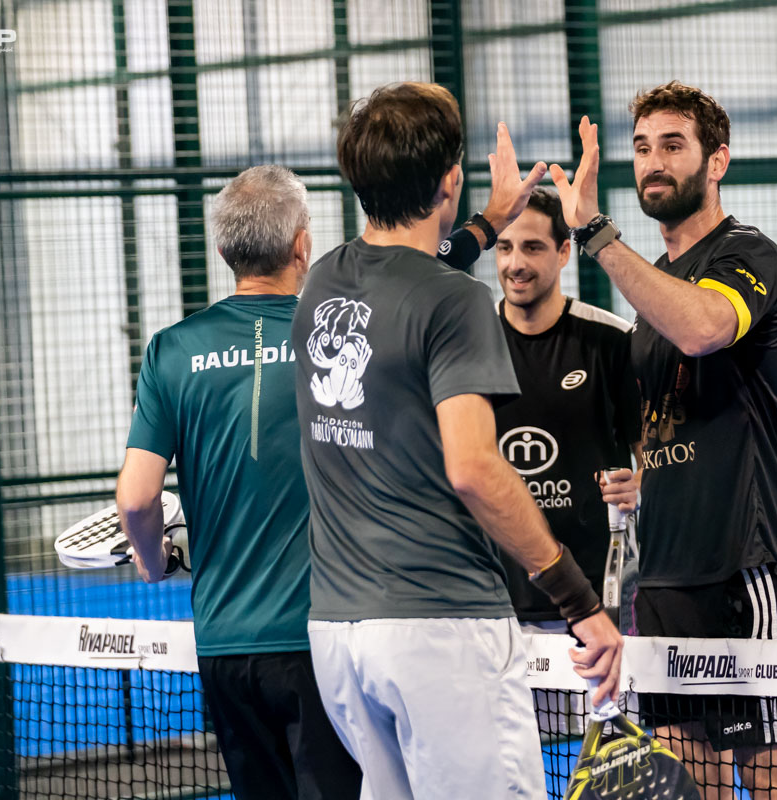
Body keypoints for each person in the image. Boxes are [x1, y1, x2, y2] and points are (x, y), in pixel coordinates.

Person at [292, 82, 623, 800]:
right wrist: (579, 601)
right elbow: (474, 468)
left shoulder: (323, 283)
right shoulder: (459, 301)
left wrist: (486, 222)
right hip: (440, 631)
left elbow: (414, 276)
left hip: (338, 635)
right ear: (448, 181)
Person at [550, 82, 777, 799]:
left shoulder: (750, 255)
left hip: (747, 570)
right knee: (688, 786)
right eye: (642, 148)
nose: (654, 163)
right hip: (667, 578)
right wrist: (644, 476)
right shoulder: (654, 288)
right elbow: (671, 419)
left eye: (673, 145)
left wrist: (596, 235)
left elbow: (703, 329)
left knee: (775, 782)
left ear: (717, 160)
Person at [115, 165, 362, 800]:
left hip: (223, 646)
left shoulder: (172, 350)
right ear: (303, 246)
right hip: (322, 637)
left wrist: (153, 561)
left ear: (224, 251)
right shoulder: (338, 338)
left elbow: (136, 499)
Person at [491, 186, 641, 635]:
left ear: (563, 253)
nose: (515, 263)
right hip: (493, 607)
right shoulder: (467, 343)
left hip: (595, 605)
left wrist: (641, 486)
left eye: (532, 247)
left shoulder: (612, 341)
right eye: (504, 247)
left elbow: (653, 456)